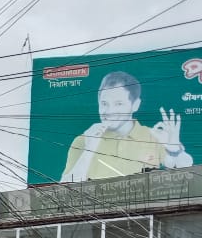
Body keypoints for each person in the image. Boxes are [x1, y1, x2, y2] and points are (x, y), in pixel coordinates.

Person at [62, 71, 193, 182]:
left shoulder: (153, 136)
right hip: (98, 212)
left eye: (118, 104)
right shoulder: (84, 140)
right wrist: (89, 149)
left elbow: (187, 172)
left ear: (135, 105)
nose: (109, 111)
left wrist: (174, 149)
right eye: (104, 103)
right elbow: (64, 192)